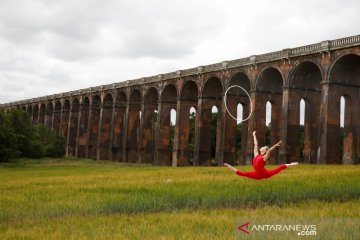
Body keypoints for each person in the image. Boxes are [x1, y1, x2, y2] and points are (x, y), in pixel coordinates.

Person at [224, 131, 299, 180]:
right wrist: (253, 135)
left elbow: (269, 151)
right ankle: (229, 166)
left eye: (263, 147)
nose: (261, 147)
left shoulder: (264, 158)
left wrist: (275, 145)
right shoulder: (256, 154)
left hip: (264, 174)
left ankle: (293, 164)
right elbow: (256, 144)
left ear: (264, 150)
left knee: (280, 167)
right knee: (241, 173)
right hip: (259, 174)